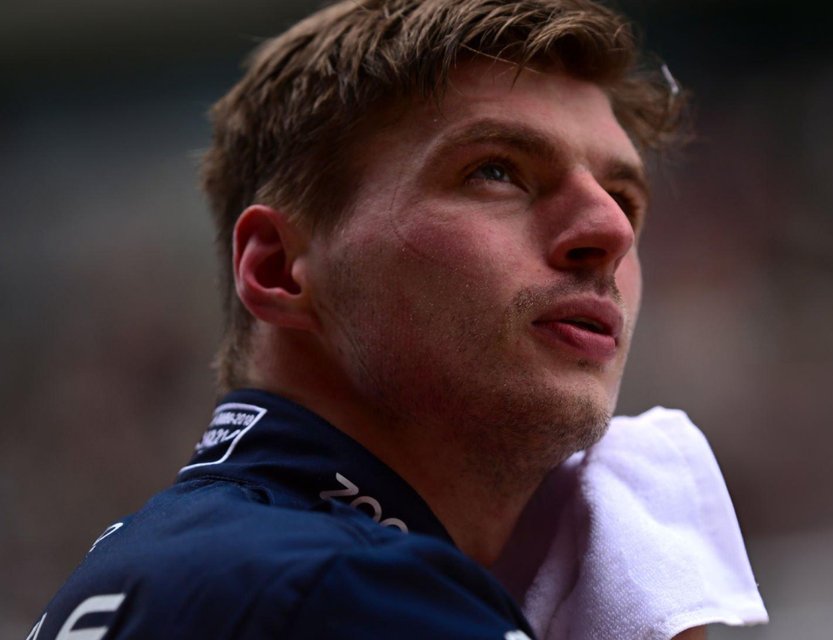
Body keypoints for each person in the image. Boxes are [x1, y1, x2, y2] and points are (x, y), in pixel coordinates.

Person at [30, 1, 766, 638]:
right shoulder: (337, 593)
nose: (610, 230)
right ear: (279, 268)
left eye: (626, 198)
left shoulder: (197, 563)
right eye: (496, 170)